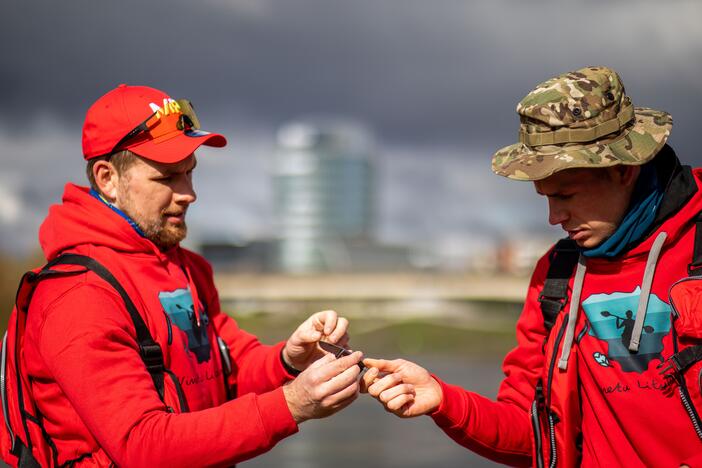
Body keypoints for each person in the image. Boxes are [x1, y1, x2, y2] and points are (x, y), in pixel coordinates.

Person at [361, 66, 702, 466]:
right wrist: (442, 399)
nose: (554, 217)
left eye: (566, 195)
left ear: (623, 170)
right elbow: (528, 434)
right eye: (545, 197)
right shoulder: (555, 274)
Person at [22, 84, 363, 466]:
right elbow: (142, 446)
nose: (188, 194)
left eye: (189, 173)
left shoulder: (187, 267)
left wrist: (289, 358)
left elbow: (227, 372)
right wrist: (293, 404)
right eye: (168, 177)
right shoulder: (79, 295)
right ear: (107, 179)